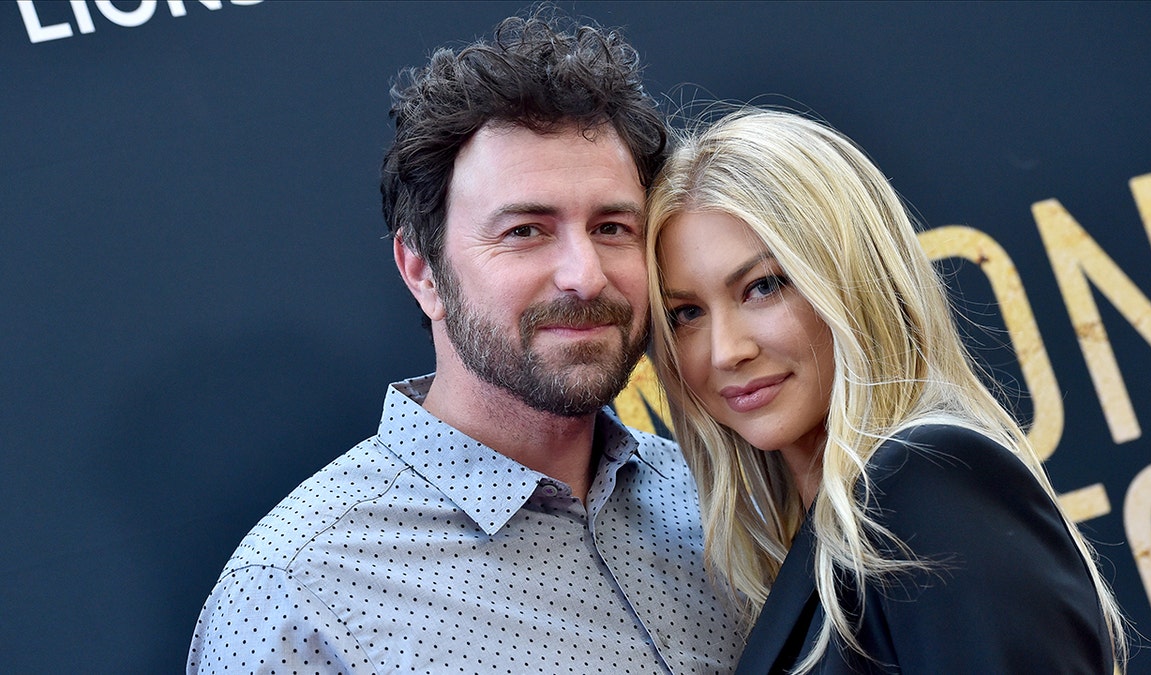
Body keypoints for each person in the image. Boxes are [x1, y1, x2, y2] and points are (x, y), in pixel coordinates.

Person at [187, 13, 743, 674]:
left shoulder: (716, 499)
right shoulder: (297, 594)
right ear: (423, 271)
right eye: (525, 231)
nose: (585, 274)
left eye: (612, 226)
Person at [645, 108, 1127, 674]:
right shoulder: (814, 536)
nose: (727, 350)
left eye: (764, 287)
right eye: (684, 314)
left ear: (852, 281)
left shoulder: (925, 480)